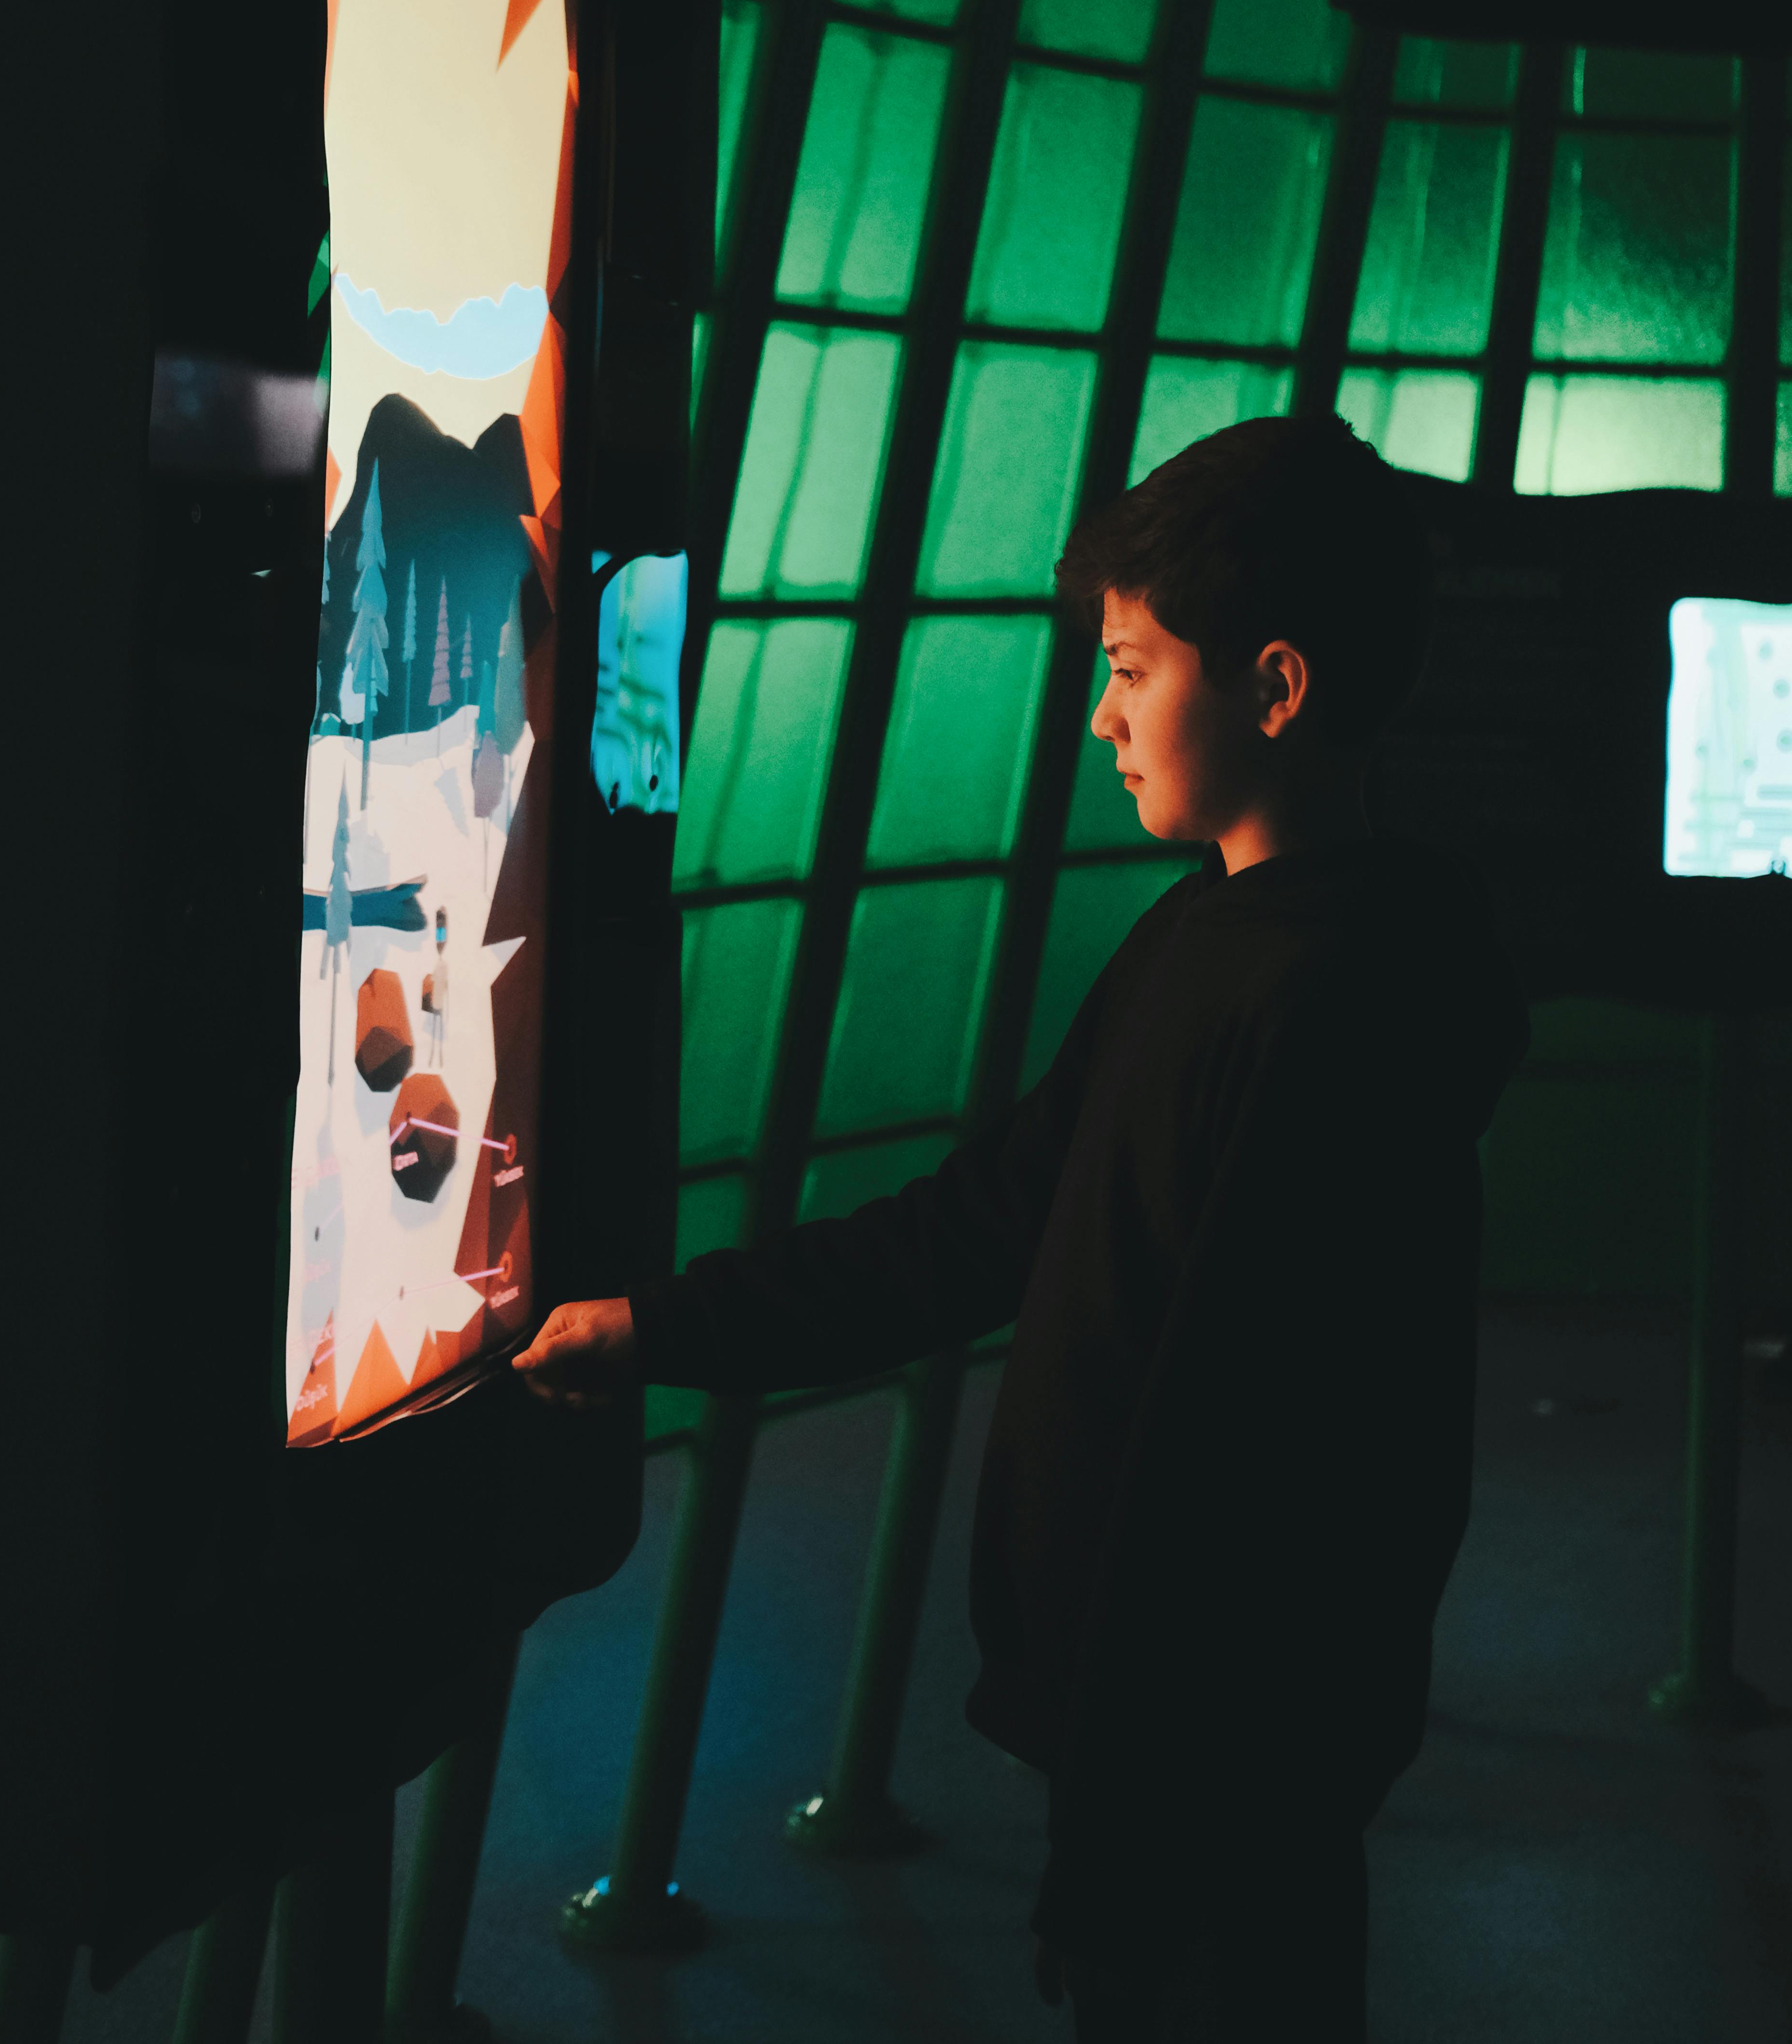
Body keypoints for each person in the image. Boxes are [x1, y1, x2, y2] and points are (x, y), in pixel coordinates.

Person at [514, 415, 1528, 2040]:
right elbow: (983, 1227)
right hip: (1192, 1765)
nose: (1101, 719)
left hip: (1204, 1771)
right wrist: (663, 1329)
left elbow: (1234, 1456)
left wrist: (1120, 1827)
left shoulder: (1306, 1005)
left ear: (1272, 689)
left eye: (1131, 669)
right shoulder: (1215, 948)